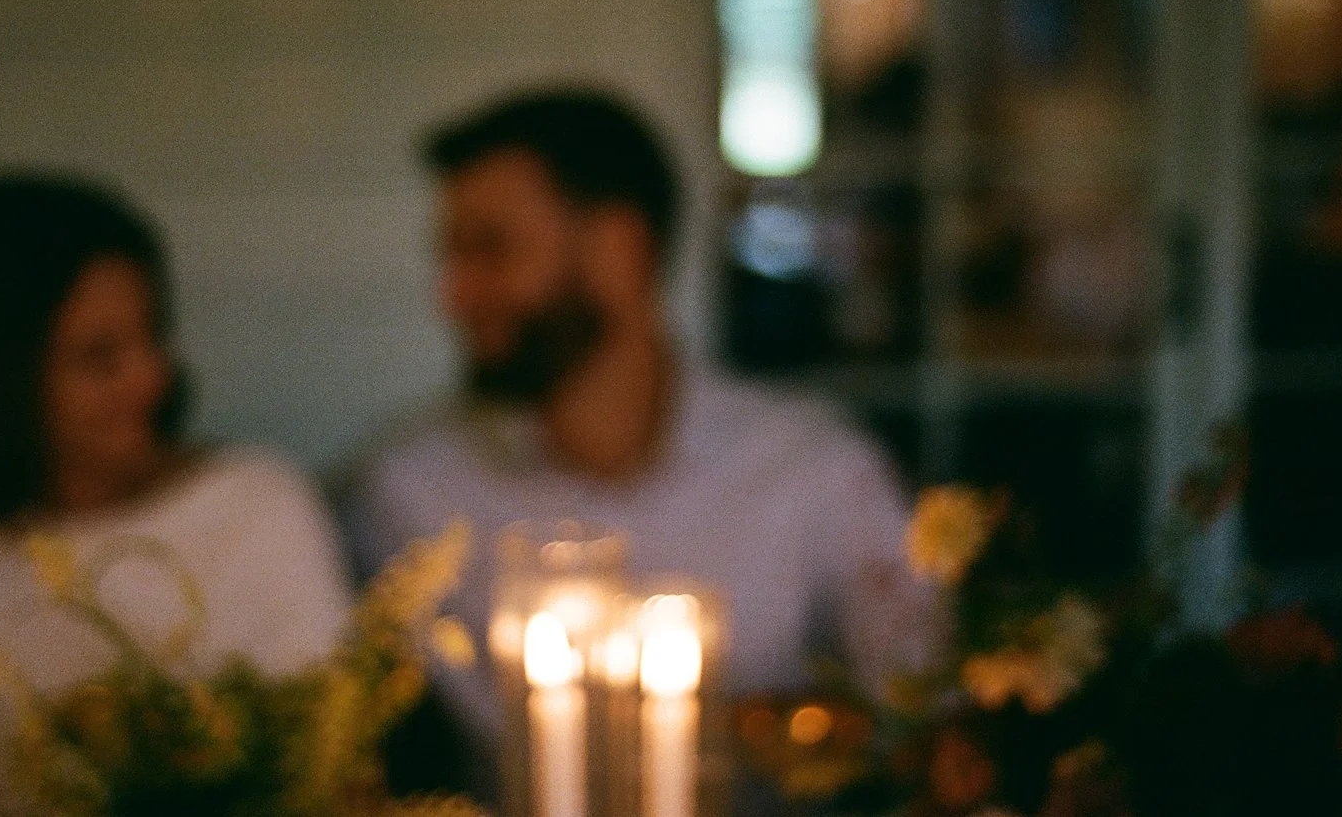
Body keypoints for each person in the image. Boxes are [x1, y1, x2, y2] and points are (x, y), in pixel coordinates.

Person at [339, 88, 946, 779]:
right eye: (451, 255)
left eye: (491, 249)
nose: (454, 295)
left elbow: (927, 716)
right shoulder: (404, 492)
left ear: (619, 249)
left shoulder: (812, 471)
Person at [0, 175, 352, 813]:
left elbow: (338, 775)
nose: (150, 378)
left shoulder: (257, 508)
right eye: (100, 357)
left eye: (152, 337)